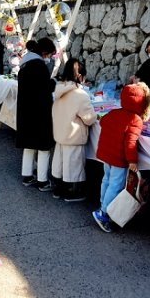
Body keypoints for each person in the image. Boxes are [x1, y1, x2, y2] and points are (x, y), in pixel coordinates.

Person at [92, 82, 150, 233]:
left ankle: (102, 205)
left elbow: (103, 122)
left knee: (106, 180)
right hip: (119, 159)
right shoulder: (135, 120)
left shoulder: (114, 112)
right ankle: (104, 213)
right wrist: (132, 161)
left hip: (106, 155)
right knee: (116, 185)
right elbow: (131, 143)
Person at [51, 58, 97, 202]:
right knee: (73, 166)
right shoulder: (80, 95)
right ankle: (71, 192)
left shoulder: (59, 89)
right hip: (74, 135)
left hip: (60, 134)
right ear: (80, 76)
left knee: (59, 164)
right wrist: (96, 115)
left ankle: (58, 189)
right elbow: (89, 118)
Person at [17, 37, 57, 191]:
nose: (49, 58)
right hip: (40, 112)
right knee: (43, 148)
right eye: (50, 54)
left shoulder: (25, 63)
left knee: (28, 146)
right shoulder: (39, 66)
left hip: (25, 111)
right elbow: (45, 88)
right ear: (45, 52)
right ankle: (42, 180)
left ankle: (27, 176)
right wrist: (54, 82)